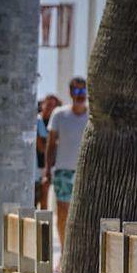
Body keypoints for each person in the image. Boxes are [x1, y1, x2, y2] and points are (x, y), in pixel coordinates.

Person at [43, 77, 89, 249]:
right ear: (70, 93)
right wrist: (47, 171)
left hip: (85, 173)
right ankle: (64, 253)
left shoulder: (93, 117)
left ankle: (78, 252)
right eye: (77, 91)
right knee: (62, 214)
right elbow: (50, 143)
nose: (80, 95)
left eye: (83, 90)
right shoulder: (59, 115)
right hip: (63, 171)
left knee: (83, 215)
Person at [34, 94, 62, 210]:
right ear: (43, 104)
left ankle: (43, 225)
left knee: (45, 199)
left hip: (49, 166)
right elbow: (40, 147)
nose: (50, 108)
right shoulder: (36, 121)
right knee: (34, 200)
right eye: (48, 104)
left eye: (53, 106)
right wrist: (52, 145)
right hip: (35, 167)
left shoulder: (56, 123)